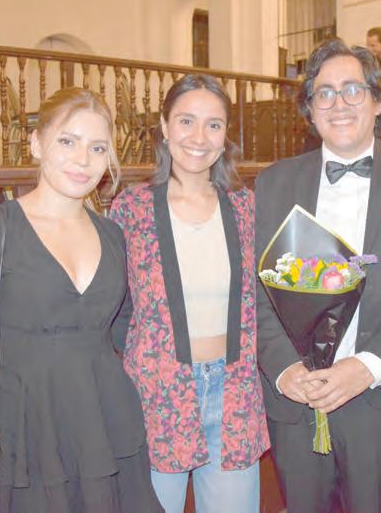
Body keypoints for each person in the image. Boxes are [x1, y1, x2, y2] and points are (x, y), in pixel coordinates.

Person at [0, 88, 162, 513]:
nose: (83, 159)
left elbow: (128, 333)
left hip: (103, 423)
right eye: (68, 141)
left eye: (97, 147)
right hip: (25, 429)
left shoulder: (113, 236)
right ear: (36, 143)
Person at [256, 37, 381, 513]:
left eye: (353, 90)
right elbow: (254, 289)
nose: (339, 103)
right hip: (296, 396)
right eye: (324, 93)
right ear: (309, 109)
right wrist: (285, 369)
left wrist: (365, 367)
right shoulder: (274, 181)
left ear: (379, 101)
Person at [109, 74, 269, 513]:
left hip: (234, 394)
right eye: (186, 121)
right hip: (157, 397)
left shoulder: (245, 206)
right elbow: (114, 309)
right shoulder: (132, 208)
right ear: (164, 126)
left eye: (213, 125)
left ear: (225, 135)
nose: (199, 137)